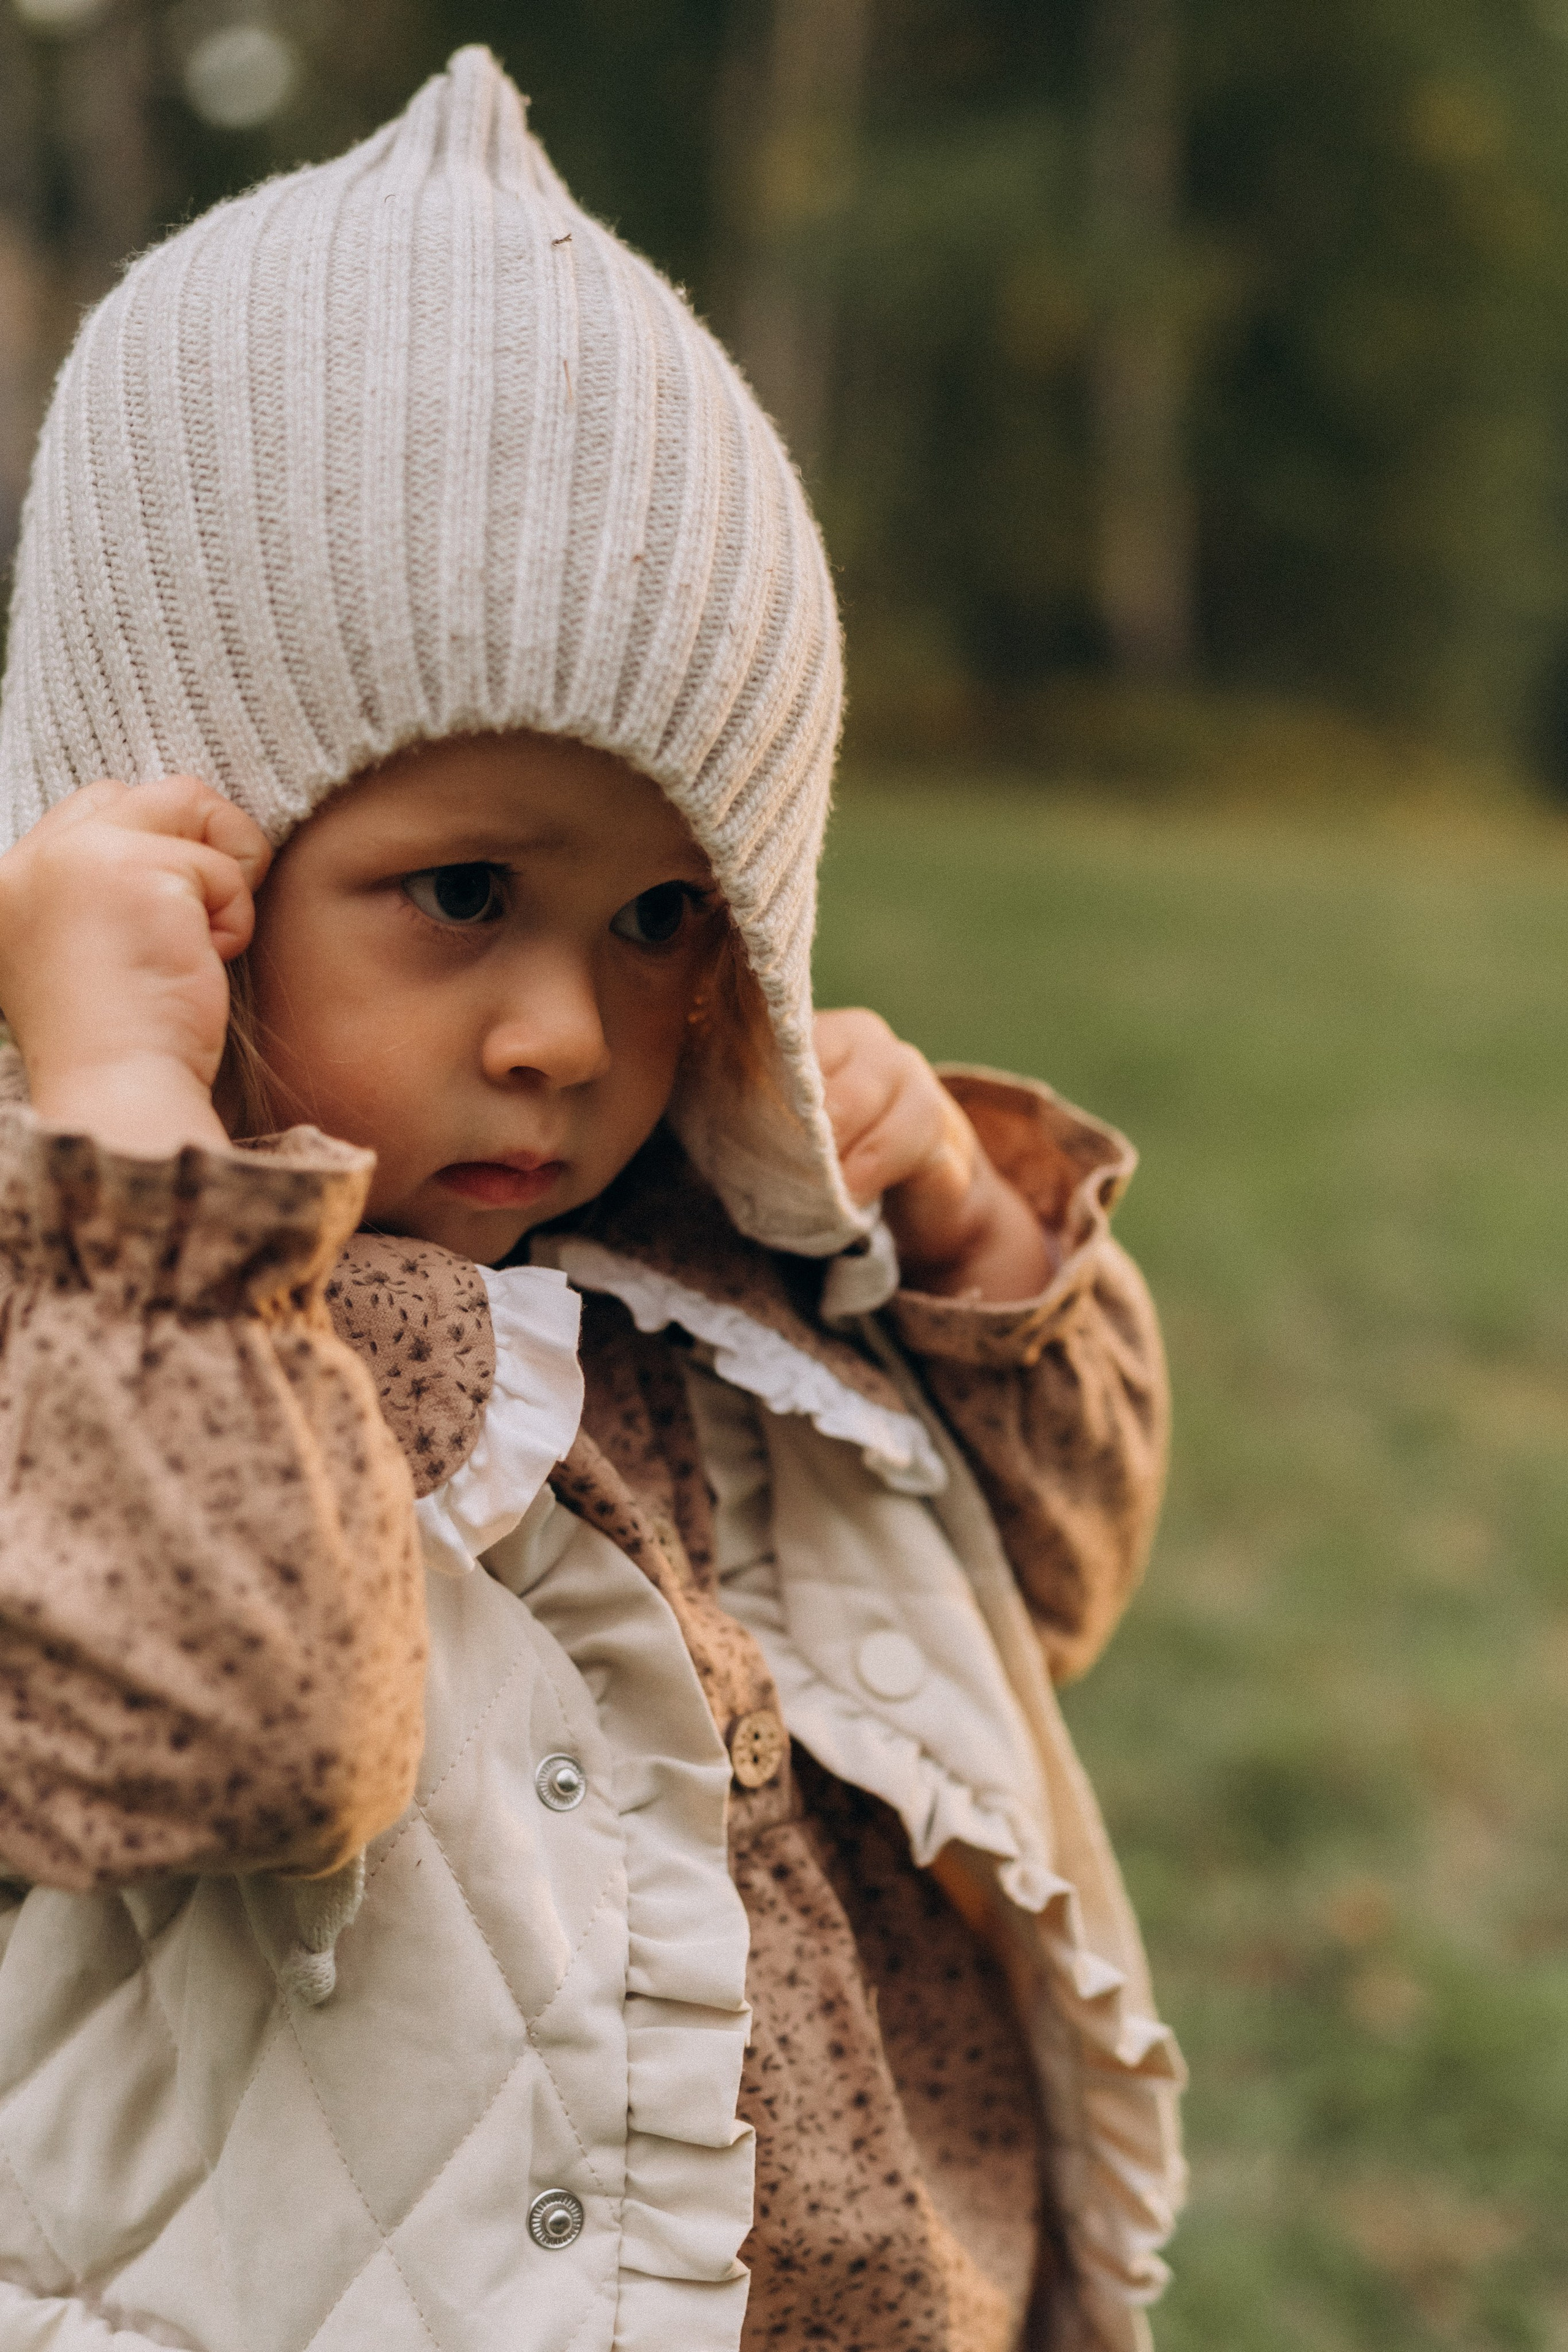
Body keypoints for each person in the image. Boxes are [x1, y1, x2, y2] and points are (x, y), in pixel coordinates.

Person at [0, 47, 1183, 2352]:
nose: (570, 1031)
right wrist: (135, 1127)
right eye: (464, 892)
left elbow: (1052, 1583)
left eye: (666, 922)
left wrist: (961, 1242)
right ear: (175, 858)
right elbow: (227, 1717)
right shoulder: (80, 1316)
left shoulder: (683, 1272)